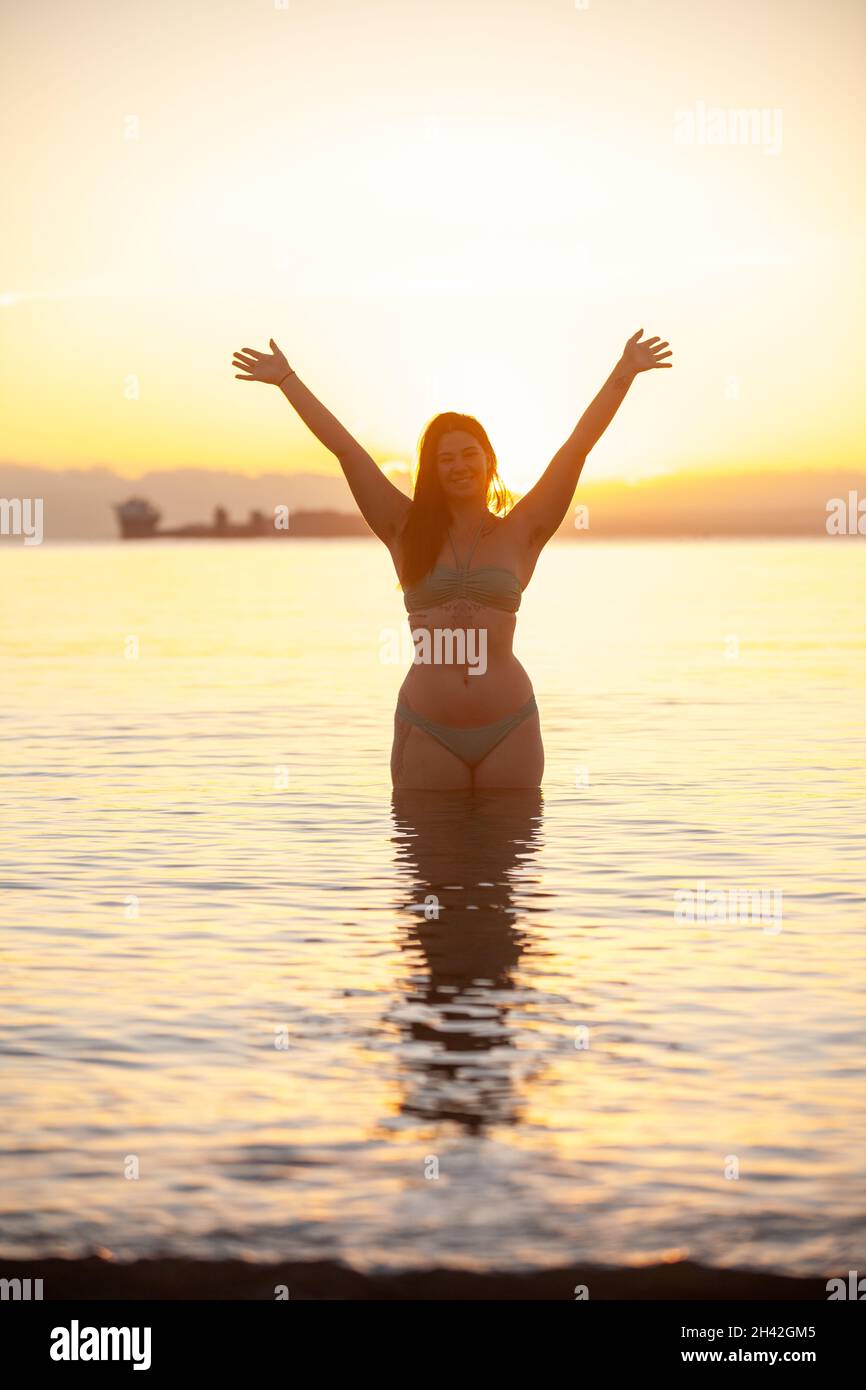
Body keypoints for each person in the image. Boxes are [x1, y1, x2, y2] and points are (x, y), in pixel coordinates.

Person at [232, 330, 672, 789]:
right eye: (445, 459)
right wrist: (286, 380)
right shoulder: (403, 528)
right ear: (432, 469)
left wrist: (623, 374)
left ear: (489, 461)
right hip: (428, 727)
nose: (459, 465)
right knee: (429, 857)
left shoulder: (522, 531)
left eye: (468, 454)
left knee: (509, 855)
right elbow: (347, 450)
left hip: (510, 727)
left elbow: (577, 447)